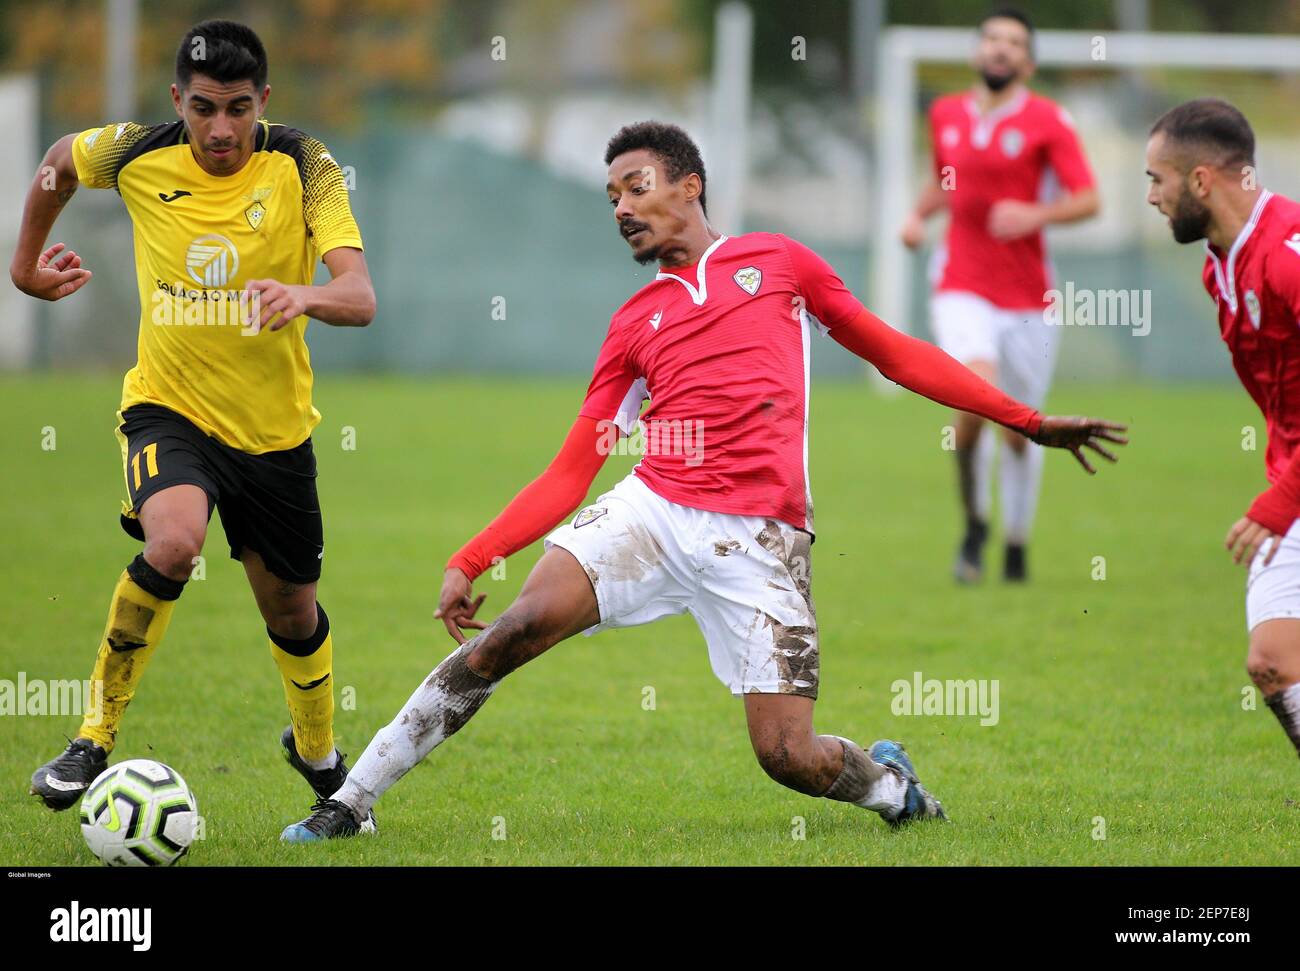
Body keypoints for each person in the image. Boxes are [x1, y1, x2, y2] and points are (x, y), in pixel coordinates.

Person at [283, 120, 1125, 841]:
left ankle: (891, 787)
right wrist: (475, 554)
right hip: (652, 510)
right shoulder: (631, 324)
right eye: (609, 196)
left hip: (762, 537)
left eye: (634, 185)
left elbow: (895, 352)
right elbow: (575, 468)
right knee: (514, 629)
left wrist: (1026, 419)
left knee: (787, 756)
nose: (619, 207)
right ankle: (350, 804)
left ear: (689, 185)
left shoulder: (780, 262)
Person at [10, 20, 377, 828]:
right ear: (178, 99)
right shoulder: (140, 153)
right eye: (204, 107)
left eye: (238, 109)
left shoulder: (304, 163)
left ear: (264, 102)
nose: (220, 128)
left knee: (293, 614)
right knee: (172, 541)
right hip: (165, 408)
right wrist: (23, 264)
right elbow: (60, 159)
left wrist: (305, 295)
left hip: (275, 435)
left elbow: (360, 296)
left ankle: (316, 752)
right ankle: (92, 736)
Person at [901, 7, 1100, 583]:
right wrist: (917, 217)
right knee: (976, 396)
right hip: (960, 282)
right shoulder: (945, 113)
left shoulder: (1048, 121)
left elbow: (1088, 199)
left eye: (1013, 43)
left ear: (1028, 62)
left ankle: (1014, 543)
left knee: (1022, 430)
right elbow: (944, 181)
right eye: (992, 39)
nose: (1000, 49)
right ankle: (974, 523)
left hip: (1029, 298)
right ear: (976, 51)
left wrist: (1037, 212)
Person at [1145, 97, 1300, 763]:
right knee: (1271, 662)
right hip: (1289, 488)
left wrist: (1282, 499)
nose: (1151, 197)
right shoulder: (1221, 265)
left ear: (1201, 181)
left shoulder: (1288, 257)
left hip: (1288, 497)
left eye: (1157, 178)